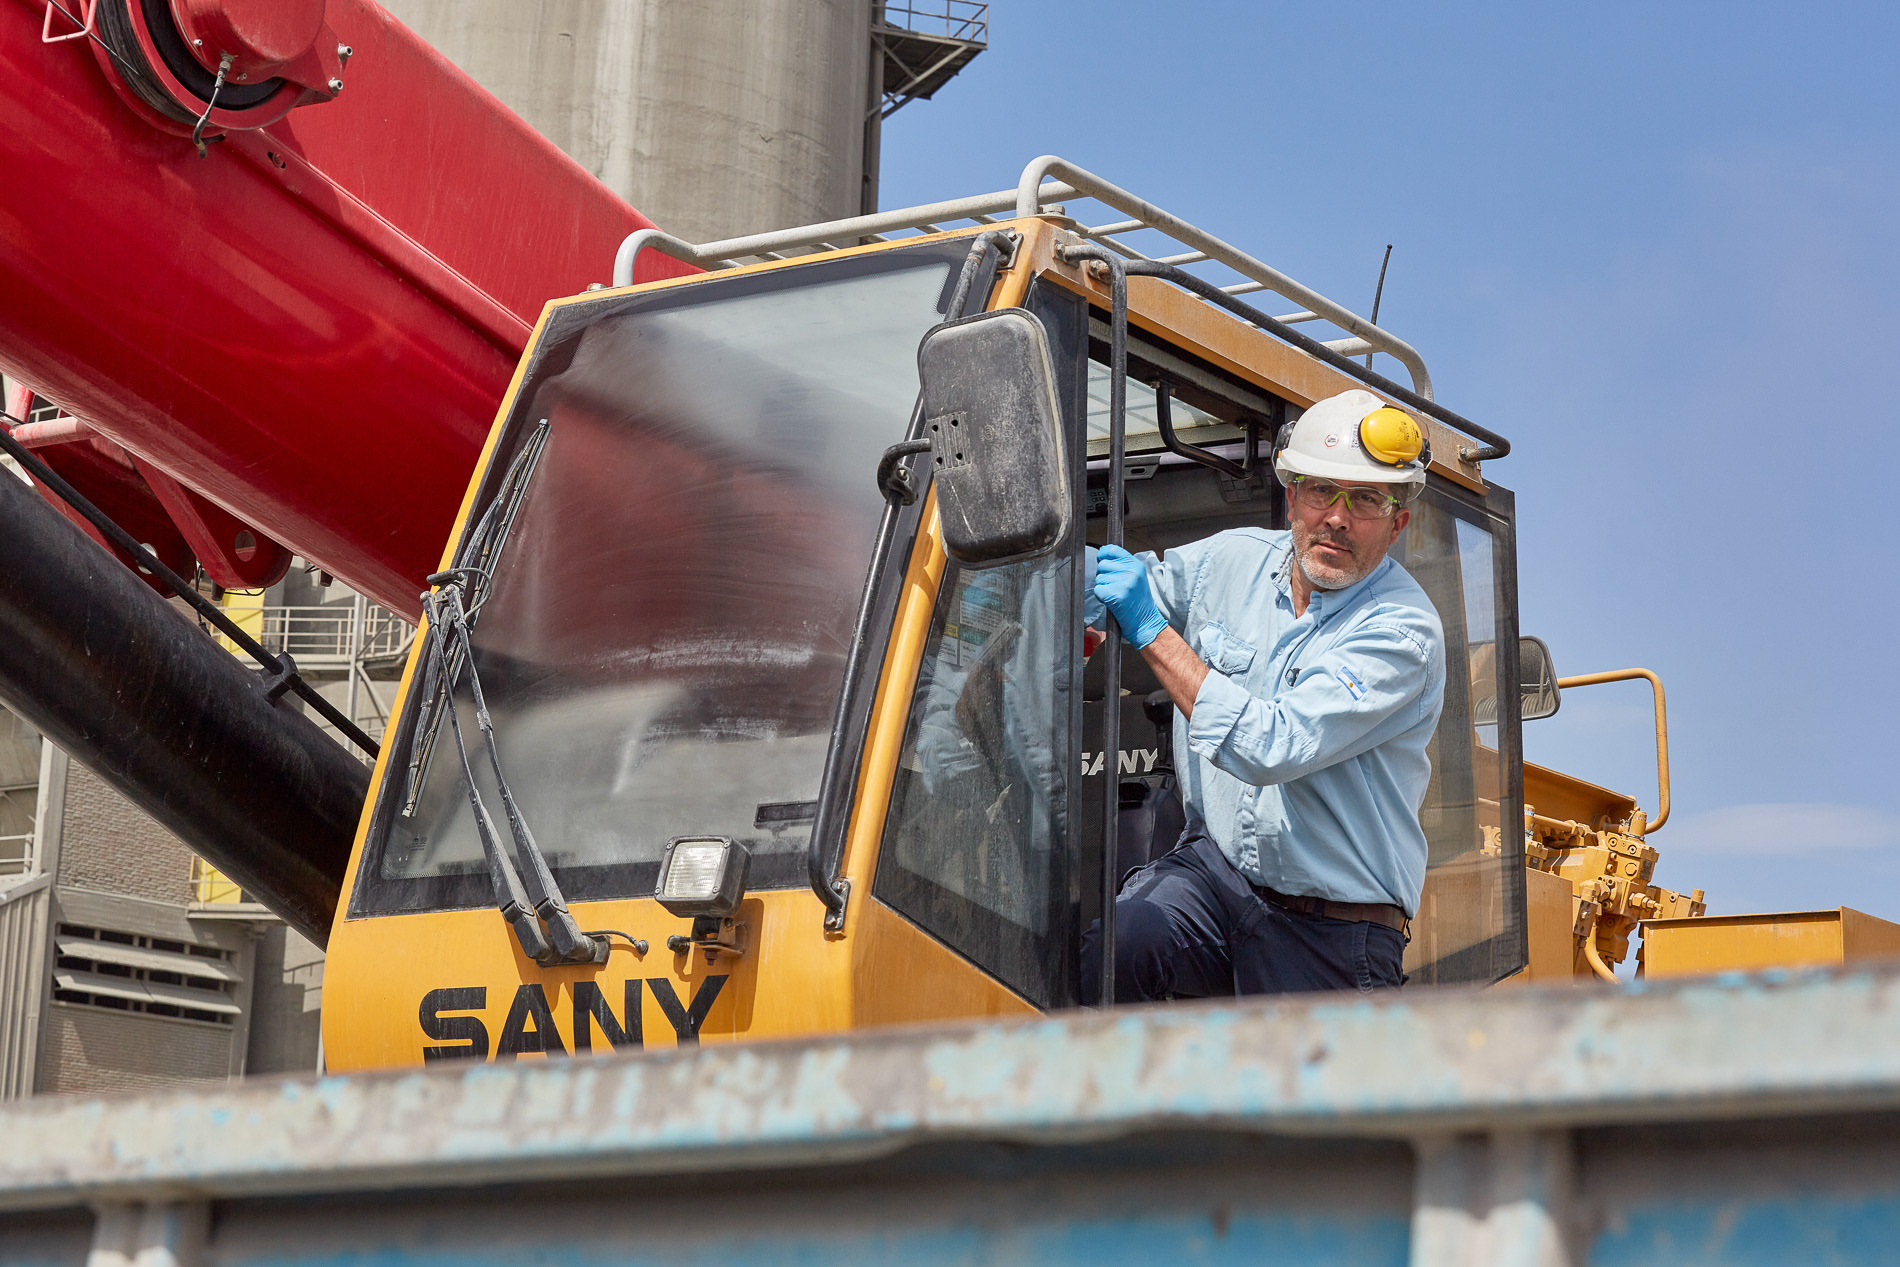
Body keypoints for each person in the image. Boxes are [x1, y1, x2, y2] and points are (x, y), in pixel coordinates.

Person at [1081, 389, 1446, 1000]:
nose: (1336, 515)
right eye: (1320, 490)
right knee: (1122, 945)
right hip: (1216, 879)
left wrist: (1149, 627)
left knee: (1302, 1094)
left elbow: (1269, 745)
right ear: (1291, 495)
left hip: (1332, 930)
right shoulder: (1232, 560)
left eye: (1364, 500)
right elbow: (1126, 584)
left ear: (1397, 522)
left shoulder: (1401, 633)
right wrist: (1036, 564)